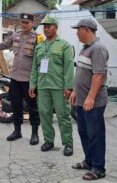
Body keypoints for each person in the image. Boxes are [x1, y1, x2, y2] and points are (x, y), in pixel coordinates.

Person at [0, 13, 40, 145]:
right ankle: (17, 131)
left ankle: (34, 133)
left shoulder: (37, 39)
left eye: (27, 23)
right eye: (22, 22)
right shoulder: (15, 36)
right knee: (15, 105)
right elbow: (1, 45)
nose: (24, 25)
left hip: (29, 80)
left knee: (32, 107)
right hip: (15, 78)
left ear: (32, 23)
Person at [69, 19, 108, 181]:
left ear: (86, 30)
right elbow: (81, 74)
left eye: (78, 30)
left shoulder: (98, 49)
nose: (76, 33)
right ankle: (89, 161)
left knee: (95, 135)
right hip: (82, 100)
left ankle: (98, 168)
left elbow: (98, 75)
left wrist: (91, 97)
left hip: (93, 102)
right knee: (84, 133)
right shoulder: (85, 48)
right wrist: (75, 92)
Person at [29, 17, 74, 155]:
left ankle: (68, 144)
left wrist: (69, 87)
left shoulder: (64, 45)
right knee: (44, 114)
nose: (46, 29)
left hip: (59, 86)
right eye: (45, 27)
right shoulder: (39, 46)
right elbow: (35, 68)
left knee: (63, 115)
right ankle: (49, 141)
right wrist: (33, 84)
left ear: (56, 27)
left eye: (49, 26)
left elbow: (68, 67)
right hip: (43, 86)